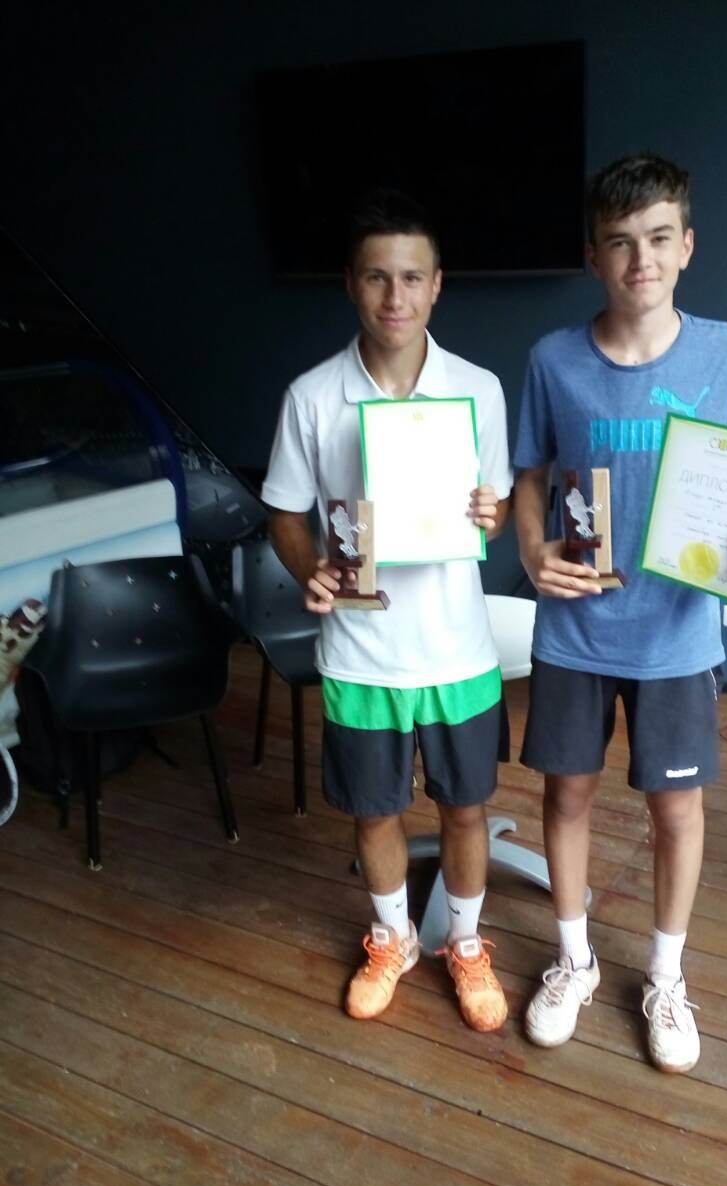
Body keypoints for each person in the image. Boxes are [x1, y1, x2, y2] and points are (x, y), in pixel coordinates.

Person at [513, 154, 727, 1071]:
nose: (642, 260)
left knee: (677, 806)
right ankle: (574, 960)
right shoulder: (553, 360)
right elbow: (529, 478)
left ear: (688, 247)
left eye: (659, 239)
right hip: (576, 626)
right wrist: (531, 551)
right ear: (593, 256)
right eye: (621, 242)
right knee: (568, 793)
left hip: (678, 632)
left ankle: (666, 977)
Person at [261, 191, 513, 1032]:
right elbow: (285, 512)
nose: (394, 297)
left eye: (411, 278)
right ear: (351, 284)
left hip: (457, 649)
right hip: (361, 650)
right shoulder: (312, 396)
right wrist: (312, 571)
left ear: (437, 285)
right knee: (375, 809)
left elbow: (496, 509)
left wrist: (491, 515)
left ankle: (465, 946)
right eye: (377, 277)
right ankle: (393, 938)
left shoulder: (478, 390)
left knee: (465, 807)